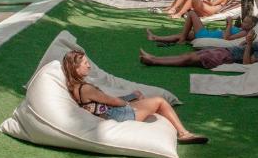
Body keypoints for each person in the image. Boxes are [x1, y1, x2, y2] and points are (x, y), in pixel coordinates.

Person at [62, 50, 207, 144]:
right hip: (117, 115)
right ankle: (183, 133)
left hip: (110, 113)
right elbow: (114, 101)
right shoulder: (86, 88)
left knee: (141, 99)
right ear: (75, 67)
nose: (89, 66)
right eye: (86, 64)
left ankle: (175, 127)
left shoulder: (75, 87)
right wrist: (130, 99)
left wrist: (132, 97)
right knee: (160, 101)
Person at [140, 28, 258, 69]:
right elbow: (243, 46)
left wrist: (249, 43)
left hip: (226, 57)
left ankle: (153, 61)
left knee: (188, 59)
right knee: (187, 55)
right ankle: (153, 58)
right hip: (225, 51)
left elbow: (247, 63)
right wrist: (246, 43)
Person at [147, 13, 255, 46]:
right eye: (244, 21)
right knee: (183, 34)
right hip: (209, 33)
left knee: (192, 14)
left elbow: (227, 38)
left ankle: (182, 40)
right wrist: (229, 24)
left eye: (246, 22)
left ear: (252, 25)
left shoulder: (244, 33)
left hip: (206, 35)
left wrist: (230, 24)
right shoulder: (242, 30)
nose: (243, 23)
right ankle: (155, 37)